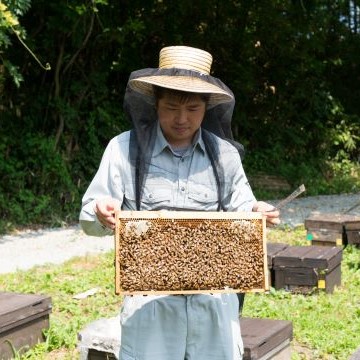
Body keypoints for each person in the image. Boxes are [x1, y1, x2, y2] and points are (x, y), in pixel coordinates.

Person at [79, 45, 280, 360]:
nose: (182, 118)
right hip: (150, 307)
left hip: (213, 306)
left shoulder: (224, 155)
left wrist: (256, 212)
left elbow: (243, 207)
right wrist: (101, 211)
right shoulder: (123, 149)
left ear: (207, 106)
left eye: (193, 109)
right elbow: (91, 215)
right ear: (156, 102)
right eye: (172, 106)